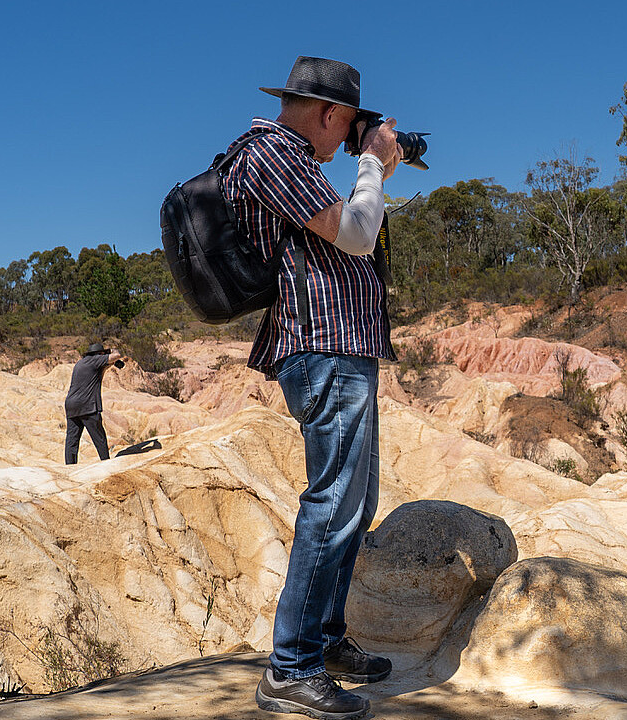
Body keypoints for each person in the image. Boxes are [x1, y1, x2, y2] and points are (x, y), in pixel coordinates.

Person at [228, 56, 401, 719]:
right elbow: (356, 234)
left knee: (355, 502)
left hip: (343, 349)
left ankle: (323, 642)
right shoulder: (274, 152)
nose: (347, 141)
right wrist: (371, 166)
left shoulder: (293, 157)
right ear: (331, 114)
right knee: (331, 503)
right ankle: (290, 669)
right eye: (348, 127)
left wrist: (376, 165)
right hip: (322, 348)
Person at [64, 342, 122, 464]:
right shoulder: (95, 360)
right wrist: (112, 350)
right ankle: (106, 464)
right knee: (99, 438)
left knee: (72, 441)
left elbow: (99, 372)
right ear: (99, 354)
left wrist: (109, 364)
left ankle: (69, 467)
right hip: (87, 405)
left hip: (71, 405)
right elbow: (117, 355)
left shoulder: (82, 363)